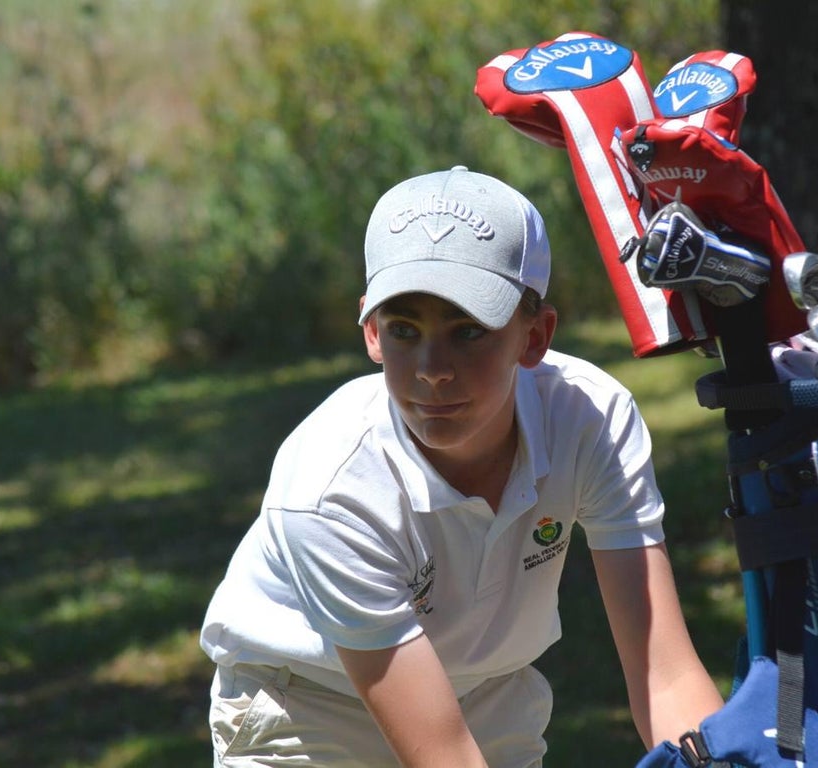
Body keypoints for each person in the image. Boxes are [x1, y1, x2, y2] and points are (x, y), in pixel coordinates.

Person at [199, 166, 724, 767]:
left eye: (468, 330)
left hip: (489, 693)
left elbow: (665, 676)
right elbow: (445, 757)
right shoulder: (332, 490)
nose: (432, 368)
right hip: (308, 710)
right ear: (371, 332)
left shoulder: (591, 419)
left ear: (535, 336)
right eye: (404, 330)